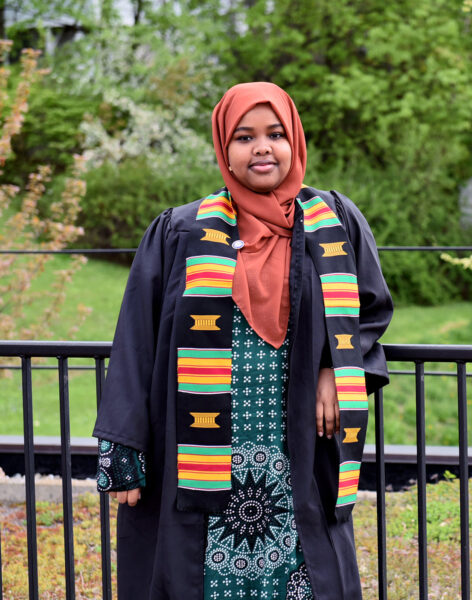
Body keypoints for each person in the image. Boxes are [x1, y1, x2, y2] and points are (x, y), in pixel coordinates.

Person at [93, 82, 393, 600]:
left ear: (294, 142)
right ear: (223, 149)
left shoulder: (333, 221)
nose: (262, 147)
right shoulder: (182, 230)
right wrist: (123, 451)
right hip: (199, 449)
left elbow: (370, 309)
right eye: (244, 136)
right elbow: (135, 341)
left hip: (295, 439)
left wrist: (333, 368)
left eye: (275, 134)